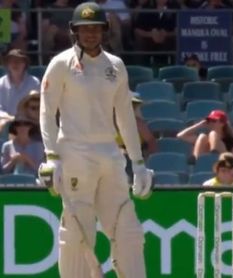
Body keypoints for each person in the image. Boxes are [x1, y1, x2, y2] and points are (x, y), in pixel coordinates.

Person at [37, 3, 153, 278]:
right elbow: (46, 110)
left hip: (111, 155)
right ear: (74, 31)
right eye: (84, 29)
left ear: (104, 31)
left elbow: (125, 115)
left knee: (128, 229)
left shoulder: (115, 66)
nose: (90, 34)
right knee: (78, 231)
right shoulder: (61, 63)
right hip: (74, 153)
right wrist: (52, 157)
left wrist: (137, 162)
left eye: (95, 29)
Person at [0, 49, 40, 130]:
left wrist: (22, 119)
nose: (15, 64)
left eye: (19, 61)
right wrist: (10, 118)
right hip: (6, 123)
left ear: (25, 64)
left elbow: (37, 107)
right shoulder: (1, 83)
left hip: (30, 123)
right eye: (12, 61)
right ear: (7, 64)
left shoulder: (34, 82)